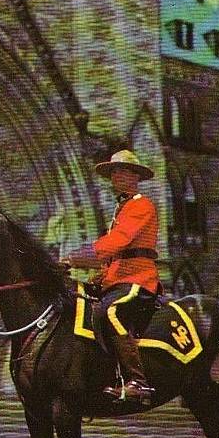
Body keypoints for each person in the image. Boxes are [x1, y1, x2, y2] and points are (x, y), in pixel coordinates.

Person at [63, 150, 160, 407]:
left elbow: (118, 243)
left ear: (135, 176)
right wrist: (99, 276)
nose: (116, 176)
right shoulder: (121, 209)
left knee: (111, 313)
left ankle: (138, 382)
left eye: (123, 171)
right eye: (113, 172)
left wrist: (75, 258)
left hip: (138, 279)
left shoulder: (141, 205)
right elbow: (113, 258)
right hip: (117, 278)